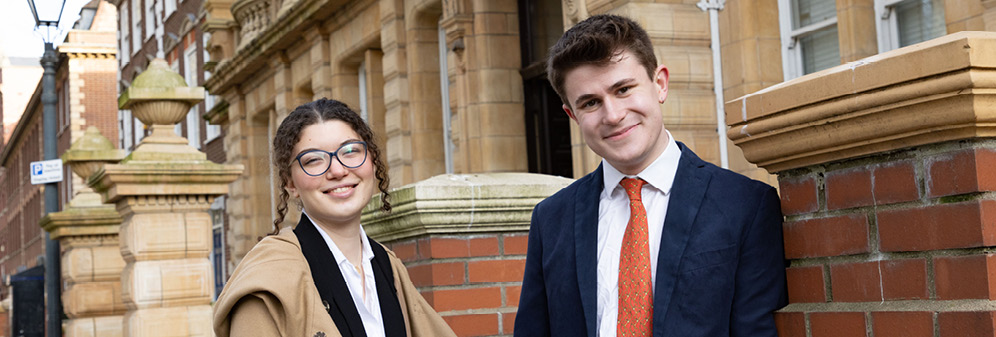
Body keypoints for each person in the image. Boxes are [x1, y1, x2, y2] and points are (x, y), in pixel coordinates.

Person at [514, 14, 787, 337]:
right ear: (572, 115)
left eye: (624, 89)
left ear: (660, 84)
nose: (613, 115)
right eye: (590, 103)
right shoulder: (551, 219)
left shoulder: (745, 205)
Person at [213, 98, 456, 337]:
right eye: (314, 160)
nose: (338, 170)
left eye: (350, 151)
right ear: (290, 183)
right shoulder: (269, 282)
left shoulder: (387, 265)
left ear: (372, 161)